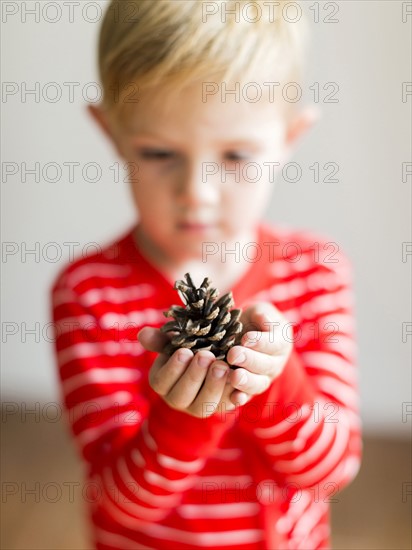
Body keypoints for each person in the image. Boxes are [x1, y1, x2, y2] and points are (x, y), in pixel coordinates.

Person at [50, 1, 362, 548]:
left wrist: (271, 386)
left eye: (237, 155)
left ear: (290, 137)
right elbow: (120, 505)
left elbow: (331, 470)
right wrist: (183, 417)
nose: (197, 191)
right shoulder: (90, 294)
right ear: (111, 132)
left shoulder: (317, 272)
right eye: (159, 152)